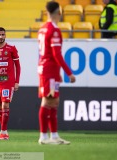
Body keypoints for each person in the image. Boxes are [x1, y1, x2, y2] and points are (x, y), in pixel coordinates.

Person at [37, 1, 76, 145]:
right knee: (47, 100)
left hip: (49, 70)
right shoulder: (54, 30)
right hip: (49, 70)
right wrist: (69, 73)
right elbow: (56, 55)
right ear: (58, 13)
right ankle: (43, 137)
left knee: (55, 101)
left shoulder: (42, 28)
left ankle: (54, 136)